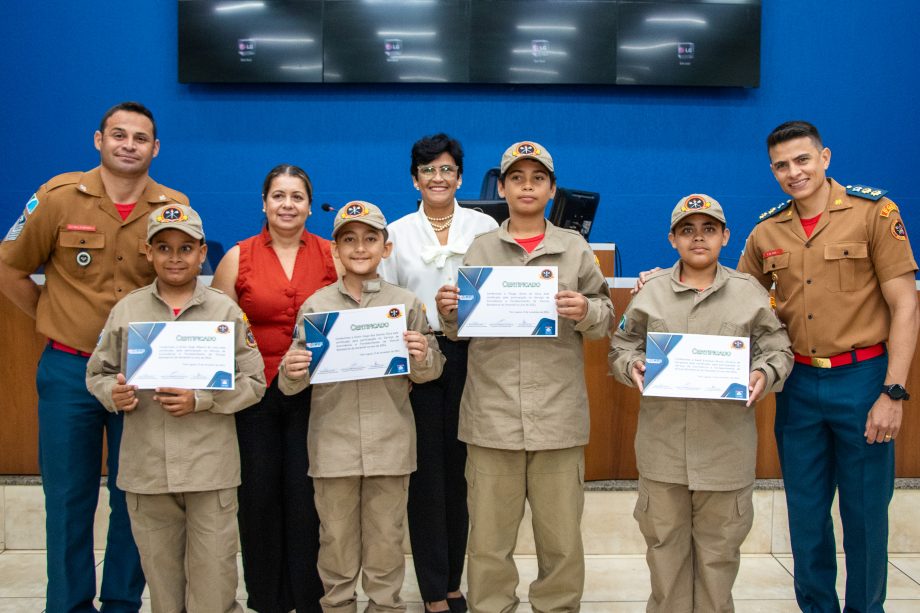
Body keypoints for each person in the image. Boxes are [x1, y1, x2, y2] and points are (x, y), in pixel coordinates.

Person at [0, 101, 187, 611]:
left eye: (140, 138)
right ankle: (67, 605)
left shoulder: (173, 207)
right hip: (70, 371)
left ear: (155, 148)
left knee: (135, 499)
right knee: (67, 500)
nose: (129, 145)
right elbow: (9, 268)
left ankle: (122, 603)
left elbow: (182, 286)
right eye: (119, 135)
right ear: (98, 140)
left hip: (142, 375)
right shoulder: (57, 198)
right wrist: (51, 315)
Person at [736, 121, 919, 612]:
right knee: (807, 514)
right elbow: (733, 299)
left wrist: (893, 392)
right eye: (781, 165)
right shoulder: (766, 230)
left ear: (825, 157)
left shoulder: (874, 213)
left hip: (863, 382)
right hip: (797, 385)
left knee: (864, 517)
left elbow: (906, 305)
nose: (793, 172)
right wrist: (661, 278)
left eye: (802, 160)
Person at [436, 141, 614, 613]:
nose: (527, 186)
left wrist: (585, 310)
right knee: (490, 542)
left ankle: (557, 607)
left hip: (557, 416)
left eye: (538, 178)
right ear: (502, 187)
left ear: (552, 190)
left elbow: (604, 316)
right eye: (517, 178)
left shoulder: (574, 249)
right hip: (491, 417)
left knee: (560, 542)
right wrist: (448, 313)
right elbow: (459, 331)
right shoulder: (481, 247)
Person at [609, 194, 793, 612]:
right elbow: (622, 344)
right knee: (665, 557)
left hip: (724, 452)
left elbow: (778, 348)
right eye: (687, 230)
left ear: (725, 237)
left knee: (717, 560)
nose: (698, 238)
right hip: (663, 452)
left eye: (709, 229)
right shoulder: (651, 292)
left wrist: (764, 373)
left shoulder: (749, 293)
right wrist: (633, 365)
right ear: (672, 238)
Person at [86, 204, 266, 612]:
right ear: (148, 253)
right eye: (163, 248)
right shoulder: (128, 311)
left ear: (202, 253)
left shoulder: (224, 311)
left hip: (209, 470)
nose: (175, 257)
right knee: (164, 589)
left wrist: (201, 399)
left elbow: (254, 382)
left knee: (214, 585)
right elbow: (97, 373)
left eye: (186, 248)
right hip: (147, 470)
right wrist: (111, 394)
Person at [279, 201, 445, 613]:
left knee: (387, 540)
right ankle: (337, 605)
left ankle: (386, 605)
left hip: (390, 445)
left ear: (386, 249)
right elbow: (289, 384)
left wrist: (422, 354)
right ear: (334, 249)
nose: (359, 248)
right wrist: (292, 369)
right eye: (348, 240)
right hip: (333, 447)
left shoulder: (405, 305)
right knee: (335, 541)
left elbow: (431, 372)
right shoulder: (317, 307)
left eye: (370, 239)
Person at [378, 133, 497, 613]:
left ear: (460, 177)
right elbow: (385, 299)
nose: (438, 178)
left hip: (475, 356)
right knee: (427, 475)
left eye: (447, 169)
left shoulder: (485, 225)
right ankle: (432, 591)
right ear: (415, 179)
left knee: (463, 475)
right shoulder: (397, 230)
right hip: (420, 355)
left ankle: (453, 583)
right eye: (428, 170)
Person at [211, 164, 337, 612]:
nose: (288, 205)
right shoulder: (237, 257)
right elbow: (216, 328)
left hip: (314, 398)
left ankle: (308, 598)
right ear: (263, 203)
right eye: (279, 196)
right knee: (259, 500)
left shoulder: (331, 254)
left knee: (307, 501)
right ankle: (266, 599)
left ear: (309, 204)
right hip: (254, 399)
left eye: (297, 197)